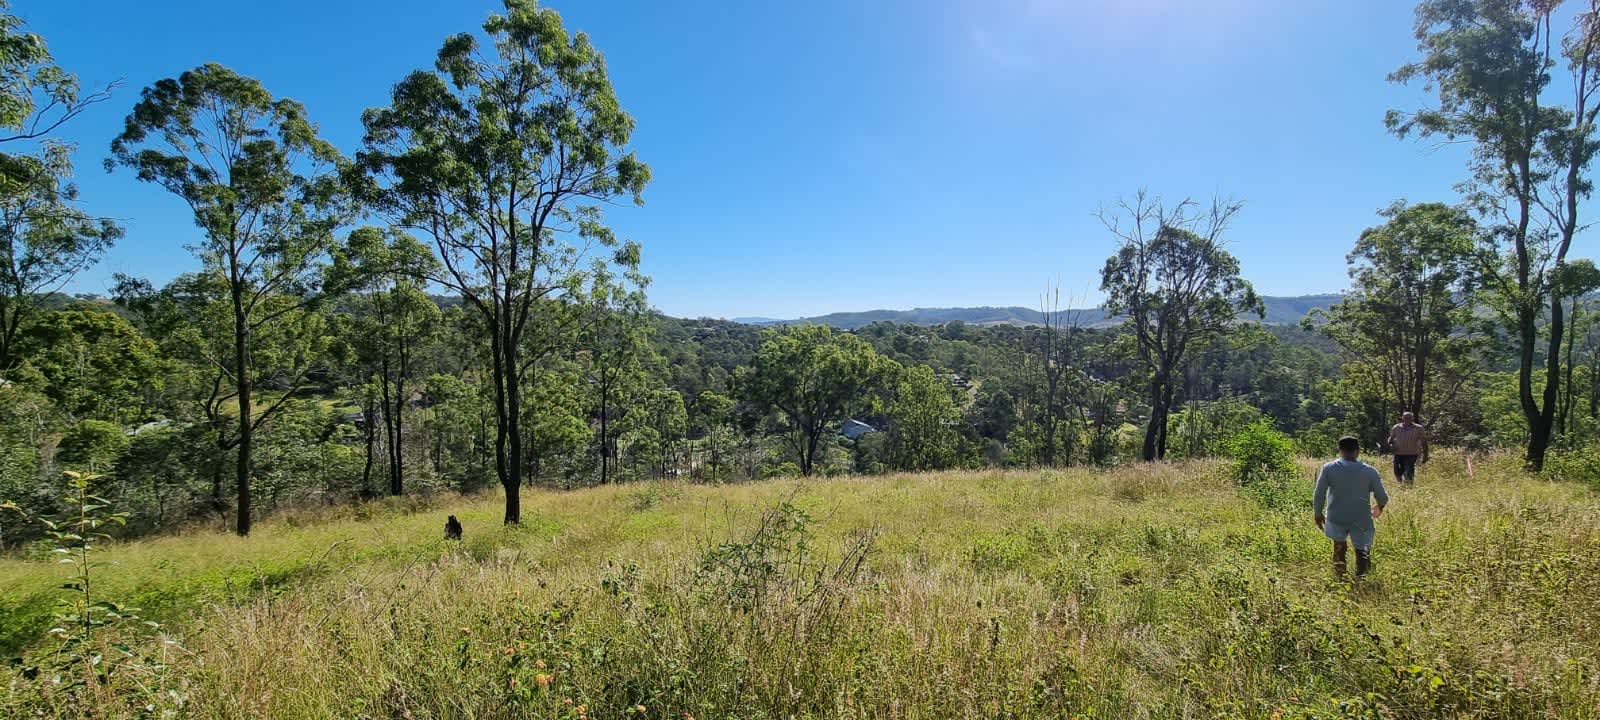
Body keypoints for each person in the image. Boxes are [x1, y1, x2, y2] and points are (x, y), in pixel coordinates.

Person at [1314, 436, 1389, 577]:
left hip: (1336, 515)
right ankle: (1362, 578)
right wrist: (1380, 506)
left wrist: (1318, 513)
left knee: (1339, 546)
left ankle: (1340, 578)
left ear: (1340, 450)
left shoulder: (1329, 468)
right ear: (1358, 450)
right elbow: (1382, 496)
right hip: (1361, 516)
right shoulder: (1369, 471)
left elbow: (1319, 493)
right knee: (1362, 550)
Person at [1385, 411, 1428, 485]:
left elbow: (1424, 442)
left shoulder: (1418, 428)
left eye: (1409, 418)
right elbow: (1391, 438)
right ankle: (1400, 484)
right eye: (1405, 417)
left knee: (1408, 470)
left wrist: (1425, 454)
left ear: (1412, 418)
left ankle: (1409, 486)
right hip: (1398, 453)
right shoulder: (1396, 427)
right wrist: (1390, 444)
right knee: (1397, 471)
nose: (1407, 419)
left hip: (1412, 454)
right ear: (1402, 418)